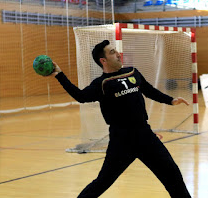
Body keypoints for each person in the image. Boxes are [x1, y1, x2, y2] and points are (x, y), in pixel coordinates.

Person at [51, 40, 191, 198]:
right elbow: (81, 96)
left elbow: (149, 90)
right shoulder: (101, 84)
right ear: (103, 61)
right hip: (122, 141)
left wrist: (171, 100)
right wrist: (60, 75)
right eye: (112, 52)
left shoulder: (132, 72)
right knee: (103, 181)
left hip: (145, 135)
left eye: (116, 50)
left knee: (173, 175)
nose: (118, 54)